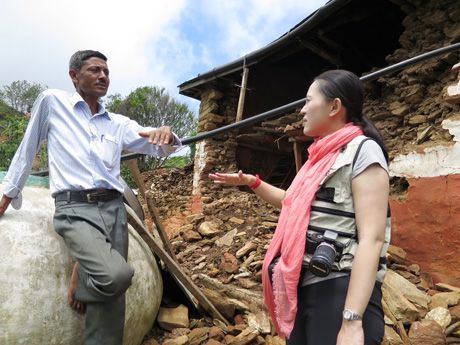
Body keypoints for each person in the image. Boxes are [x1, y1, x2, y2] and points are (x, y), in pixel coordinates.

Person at [0, 50, 181, 345]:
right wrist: (8, 194)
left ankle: (87, 281)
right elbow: (27, 147)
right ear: (74, 75)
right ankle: (85, 274)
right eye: (95, 70)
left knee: (111, 306)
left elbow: (155, 144)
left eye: (106, 72)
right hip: (74, 207)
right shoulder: (52, 102)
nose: (103, 76)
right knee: (116, 276)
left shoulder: (118, 123)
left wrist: (165, 134)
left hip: (114, 208)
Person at [209, 70, 390, 345]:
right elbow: (292, 203)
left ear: (334, 106)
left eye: (308, 101)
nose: (302, 110)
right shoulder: (318, 157)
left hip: (339, 287)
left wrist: (352, 321)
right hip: (306, 284)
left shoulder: (363, 151)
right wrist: (252, 182)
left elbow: (372, 238)